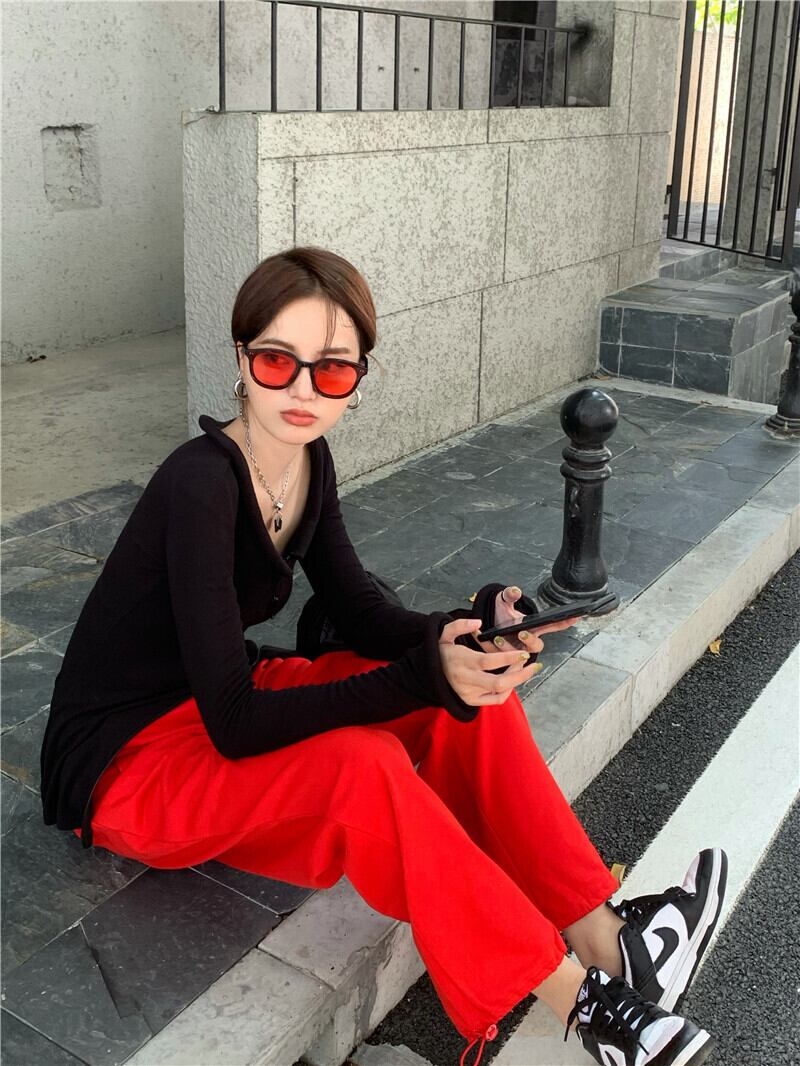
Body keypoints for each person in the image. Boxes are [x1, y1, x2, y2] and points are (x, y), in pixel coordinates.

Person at [39, 247, 727, 1066]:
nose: (302, 391)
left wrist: (468, 628)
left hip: (218, 696)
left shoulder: (307, 461)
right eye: (277, 362)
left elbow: (361, 613)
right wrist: (419, 671)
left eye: (331, 371)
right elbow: (234, 722)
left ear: (357, 378)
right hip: (129, 763)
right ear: (240, 359)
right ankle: (586, 1009)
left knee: (465, 699)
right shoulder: (200, 483)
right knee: (362, 765)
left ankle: (608, 939)